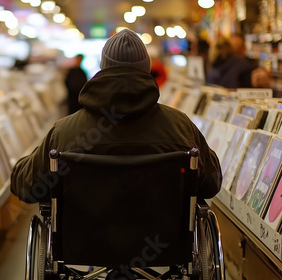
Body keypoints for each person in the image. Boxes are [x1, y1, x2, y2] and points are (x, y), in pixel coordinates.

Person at [11, 29, 222, 204]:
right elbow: (211, 183)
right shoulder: (181, 127)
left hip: (83, 251)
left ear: (103, 68)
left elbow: (27, 187)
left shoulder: (64, 132)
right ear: (146, 69)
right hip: (165, 251)